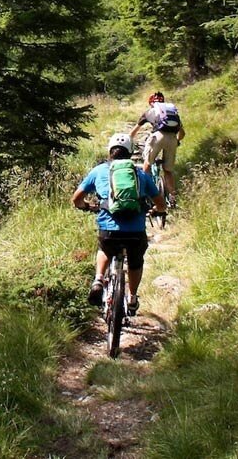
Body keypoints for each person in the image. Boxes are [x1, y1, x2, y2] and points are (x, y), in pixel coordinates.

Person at [71, 132, 167, 316]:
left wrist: (87, 207)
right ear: (130, 153)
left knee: (104, 248)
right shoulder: (141, 174)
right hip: (135, 232)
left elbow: (76, 199)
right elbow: (160, 202)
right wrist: (157, 210)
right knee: (136, 262)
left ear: (110, 151)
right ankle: (132, 298)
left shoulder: (99, 171)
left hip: (109, 230)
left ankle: (98, 279)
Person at [129, 91, 184, 198]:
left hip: (157, 136)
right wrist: (177, 141)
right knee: (168, 170)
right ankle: (172, 197)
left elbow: (133, 133)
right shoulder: (172, 113)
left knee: (147, 163)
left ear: (151, 102)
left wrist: (129, 141)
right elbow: (182, 133)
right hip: (172, 138)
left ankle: (144, 193)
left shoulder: (149, 112)